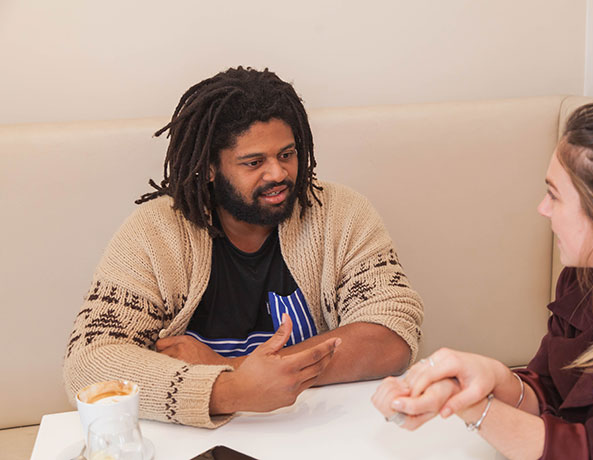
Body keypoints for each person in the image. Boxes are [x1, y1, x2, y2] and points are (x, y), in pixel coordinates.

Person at [64, 66, 423, 428]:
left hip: (321, 427)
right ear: (210, 168)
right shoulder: (155, 234)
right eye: (254, 162)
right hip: (200, 439)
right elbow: (89, 362)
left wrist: (236, 369)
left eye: (287, 154)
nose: (278, 173)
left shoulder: (341, 215)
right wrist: (230, 390)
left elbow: (390, 336)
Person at [372, 100, 593, 459]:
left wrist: (467, 405)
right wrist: (491, 375)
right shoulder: (586, 283)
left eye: (554, 195)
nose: (543, 208)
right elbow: (554, 393)